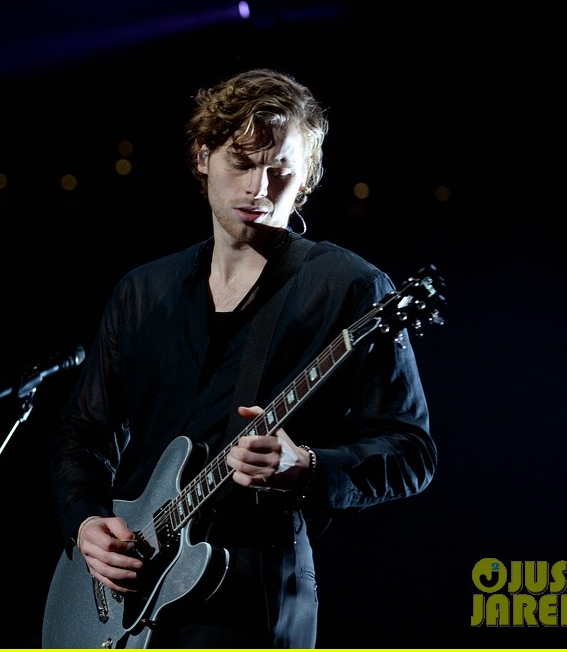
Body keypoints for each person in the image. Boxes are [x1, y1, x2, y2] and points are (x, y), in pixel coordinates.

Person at [45, 68, 437, 648]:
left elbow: (411, 450)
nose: (260, 187)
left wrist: (305, 465)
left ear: (307, 180)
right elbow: (83, 433)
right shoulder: (143, 292)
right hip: (128, 591)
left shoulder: (348, 287)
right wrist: (85, 520)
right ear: (203, 158)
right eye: (242, 162)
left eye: (281, 170)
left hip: (253, 599)